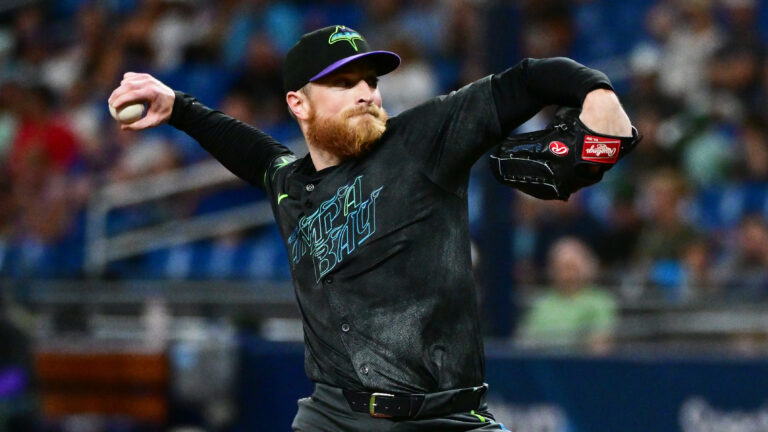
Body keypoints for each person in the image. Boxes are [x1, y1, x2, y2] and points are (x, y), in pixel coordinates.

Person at [109, 24, 632, 431]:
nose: (365, 92)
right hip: (334, 417)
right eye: (342, 83)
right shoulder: (291, 186)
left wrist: (597, 91)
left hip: (446, 416)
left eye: (371, 81)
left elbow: (525, 80)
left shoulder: (422, 140)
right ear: (298, 103)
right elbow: (253, 153)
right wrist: (179, 107)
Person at [517, 237, 617, 354]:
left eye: (572, 268)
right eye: (561, 268)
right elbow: (524, 342)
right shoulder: (540, 303)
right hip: (541, 362)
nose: (568, 274)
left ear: (587, 269)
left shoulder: (601, 301)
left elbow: (600, 344)